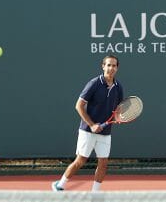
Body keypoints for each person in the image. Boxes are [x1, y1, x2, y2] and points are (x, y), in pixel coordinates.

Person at [52, 55, 123, 192]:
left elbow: (119, 107)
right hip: (87, 131)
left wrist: (118, 116)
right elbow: (79, 106)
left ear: (117, 68)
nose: (111, 68)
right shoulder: (94, 83)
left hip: (105, 132)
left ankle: (95, 192)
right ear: (103, 66)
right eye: (108, 65)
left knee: (103, 163)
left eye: (114, 66)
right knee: (81, 161)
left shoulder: (118, 86)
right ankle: (59, 185)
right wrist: (92, 125)